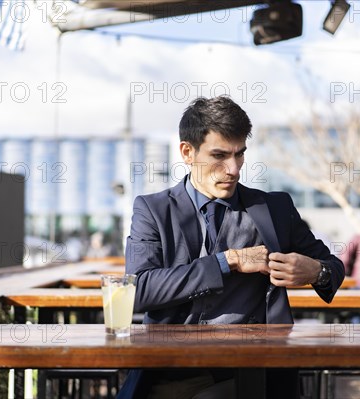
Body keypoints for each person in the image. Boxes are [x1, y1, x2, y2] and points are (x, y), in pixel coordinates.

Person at [120, 96, 344, 399]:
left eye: (239, 155)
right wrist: (229, 260)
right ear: (187, 152)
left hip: (248, 373)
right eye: (219, 155)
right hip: (170, 371)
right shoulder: (153, 210)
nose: (233, 169)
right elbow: (137, 291)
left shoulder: (274, 209)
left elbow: (333, 267)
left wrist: (316, 272)